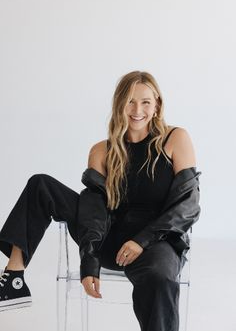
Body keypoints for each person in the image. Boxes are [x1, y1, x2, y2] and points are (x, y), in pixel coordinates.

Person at [0, 70, 201, 331]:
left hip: (156, 243)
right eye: (130, 101)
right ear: (119, 104)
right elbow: (94, 211)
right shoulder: (102, 150)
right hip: (109, 239)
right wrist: (90, 261)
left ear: (157, 105)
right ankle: (14, 278)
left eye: (145, 102)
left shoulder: (175, 139)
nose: (137, 109)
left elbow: (189, 203)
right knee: (41, 185)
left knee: (160, 278)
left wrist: (142, 240)